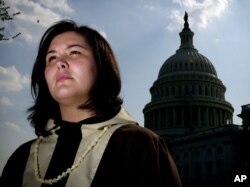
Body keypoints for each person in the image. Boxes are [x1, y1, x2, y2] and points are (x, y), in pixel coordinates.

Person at [0, 20, 182, 187]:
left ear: (101, 65)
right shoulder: (22, 158)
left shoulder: (141, 147)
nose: (60, 63)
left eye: (74, 52)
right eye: (51, 58)